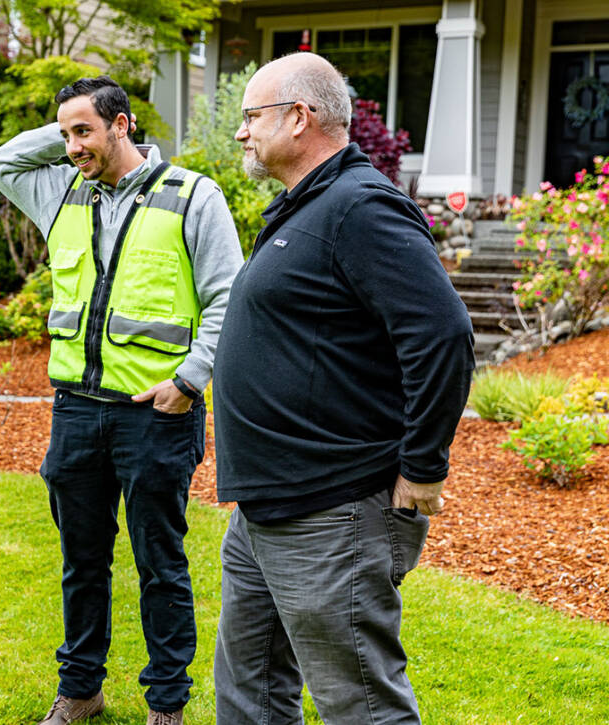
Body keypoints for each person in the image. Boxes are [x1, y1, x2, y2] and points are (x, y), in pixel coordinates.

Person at [211, 53, 475, 724]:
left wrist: (423, 466)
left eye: (251, 116)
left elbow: (441, 333)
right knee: (250, 692)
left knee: (360, 703)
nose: (241, 132)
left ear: (298, 118)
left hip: (331, 511)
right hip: (266, 508)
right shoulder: (307, 205)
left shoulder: (360, 206)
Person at [0, 76, 242, 725]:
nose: (72, 147)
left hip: (156, 411)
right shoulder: (61, 193)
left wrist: (189, 382)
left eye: (84, 132)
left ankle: (166, 702)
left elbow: (228, 297)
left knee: (160, 559)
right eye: (65, 134)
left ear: (122, 124)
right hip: (75, 410)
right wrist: (70, 122)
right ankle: (80, 689)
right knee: (82, 559)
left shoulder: (192, 197)